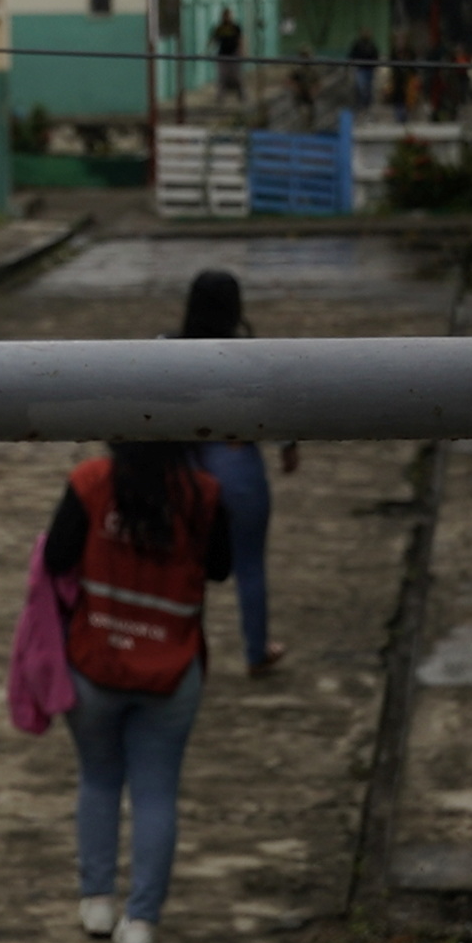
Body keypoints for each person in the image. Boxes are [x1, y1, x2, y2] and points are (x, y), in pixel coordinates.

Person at [39, 436, 230, 943]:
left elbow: (57, 554)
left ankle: (97, 899)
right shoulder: (205, 494)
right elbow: (219, 568)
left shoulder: (90, 482)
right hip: (172, 667)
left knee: (98, 779)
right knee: (156, 794)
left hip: (95, 662)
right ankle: (142, 922)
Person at [172, 267, 294, 678]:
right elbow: (274, 408)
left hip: (185, 467)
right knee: (250, 566)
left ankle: (185, 655)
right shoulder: (248, 353)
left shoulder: (165, 347)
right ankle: (256, 651)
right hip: (236, 464)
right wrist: (287, 447)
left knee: (184, 567)